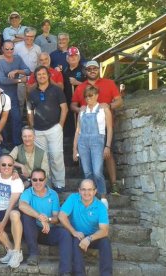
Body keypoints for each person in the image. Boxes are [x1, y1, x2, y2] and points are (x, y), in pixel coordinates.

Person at [71, 60, 123, 194]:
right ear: (85, 71)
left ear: (98, 69)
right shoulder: (81, 87)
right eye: (89, 69)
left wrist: (109, 106)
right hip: (86, 128)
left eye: (94, 68)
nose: (92, 71)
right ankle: (91, 190)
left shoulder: (109, 83)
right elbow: (72, 105)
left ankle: (114, 184)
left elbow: (119, 100)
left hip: (103, 125)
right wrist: (80, 109)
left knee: (108, 154)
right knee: (88, 166)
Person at [19, 169, 72, 275]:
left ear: (45, 180)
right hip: (31, 231)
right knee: (26, 217)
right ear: (31, 181)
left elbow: (56, 218)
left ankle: (65, 271)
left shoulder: (53, 194)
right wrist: (39, 217)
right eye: (34, 179)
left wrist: (47, 220)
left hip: (48, 231)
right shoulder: (28, 192)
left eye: (40, 179)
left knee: (65, 234)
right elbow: (22, 205)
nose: (37, 182)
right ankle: (33, 254)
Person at [59, 179, 112, 276]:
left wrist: (89, 238)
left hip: (93, 236)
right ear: (79, 190)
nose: (86, 193)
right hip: (78, 234)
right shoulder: (73, 198)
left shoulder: (100, 206)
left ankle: (106, 274)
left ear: (95, 191)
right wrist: (73, 231)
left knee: (105, 242)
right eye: (83, 189)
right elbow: (61, 216)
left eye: (89, 189)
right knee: (75, 240)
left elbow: (104, 231)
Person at [27, 66, 68, 192]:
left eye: (44, 74)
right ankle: (47, 184)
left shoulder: (56, 90)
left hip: (54, 128)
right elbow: (30, 111)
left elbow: (64, 108)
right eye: (38, 74)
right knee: (43, 159)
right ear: (36, 77)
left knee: (56, 156)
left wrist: (60, 125)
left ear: (48, 75)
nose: (41, 76)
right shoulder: (32, 93)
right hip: (38, 131)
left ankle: (59, 183)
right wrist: (32, 127)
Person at [73, 86, 112, 209]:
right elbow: (78, 130)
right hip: (83, 142)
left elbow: (109, 128)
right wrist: (74, 149)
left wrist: (108, 146)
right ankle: (91, 197)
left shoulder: (104, 109)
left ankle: (103, 196)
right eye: (87, 96)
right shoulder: (82, 111)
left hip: (98, 141)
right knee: (87, 172)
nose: (89, 98)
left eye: (92, 95)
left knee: (97, 171)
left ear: (97, 95)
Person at [0, 155, 24, 268]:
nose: (7, 167)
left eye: (10, 165)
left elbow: (11, 205)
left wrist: (3, 223)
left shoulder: (16, 180)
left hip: (12, 209)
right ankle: (11, 250)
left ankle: (18, 252)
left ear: (13, 166)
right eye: (3, 164)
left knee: (13, 214)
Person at [0, 40, 29, 147]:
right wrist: (19, 80)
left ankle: (17, 144)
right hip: (0, 96)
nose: (9, 51)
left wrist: (17, 71)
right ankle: (3, 145)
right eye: (7, 49)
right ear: (2, 49)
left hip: (13, 96)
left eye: (11, 48)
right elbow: (3, 80)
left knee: (17, 119)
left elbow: (28, 71)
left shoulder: (18, 58)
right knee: (2, 121)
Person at [62, 47, 87, 139]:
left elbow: (91, 87)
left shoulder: (84, 70)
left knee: (82, 127)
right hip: (68, 102)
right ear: (67, 58)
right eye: (70, 56)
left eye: (75, 56)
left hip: (82, 103)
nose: (73, 58)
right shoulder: (64, 71)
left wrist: (78, 83)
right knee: (71, 127)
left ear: (79, 57)